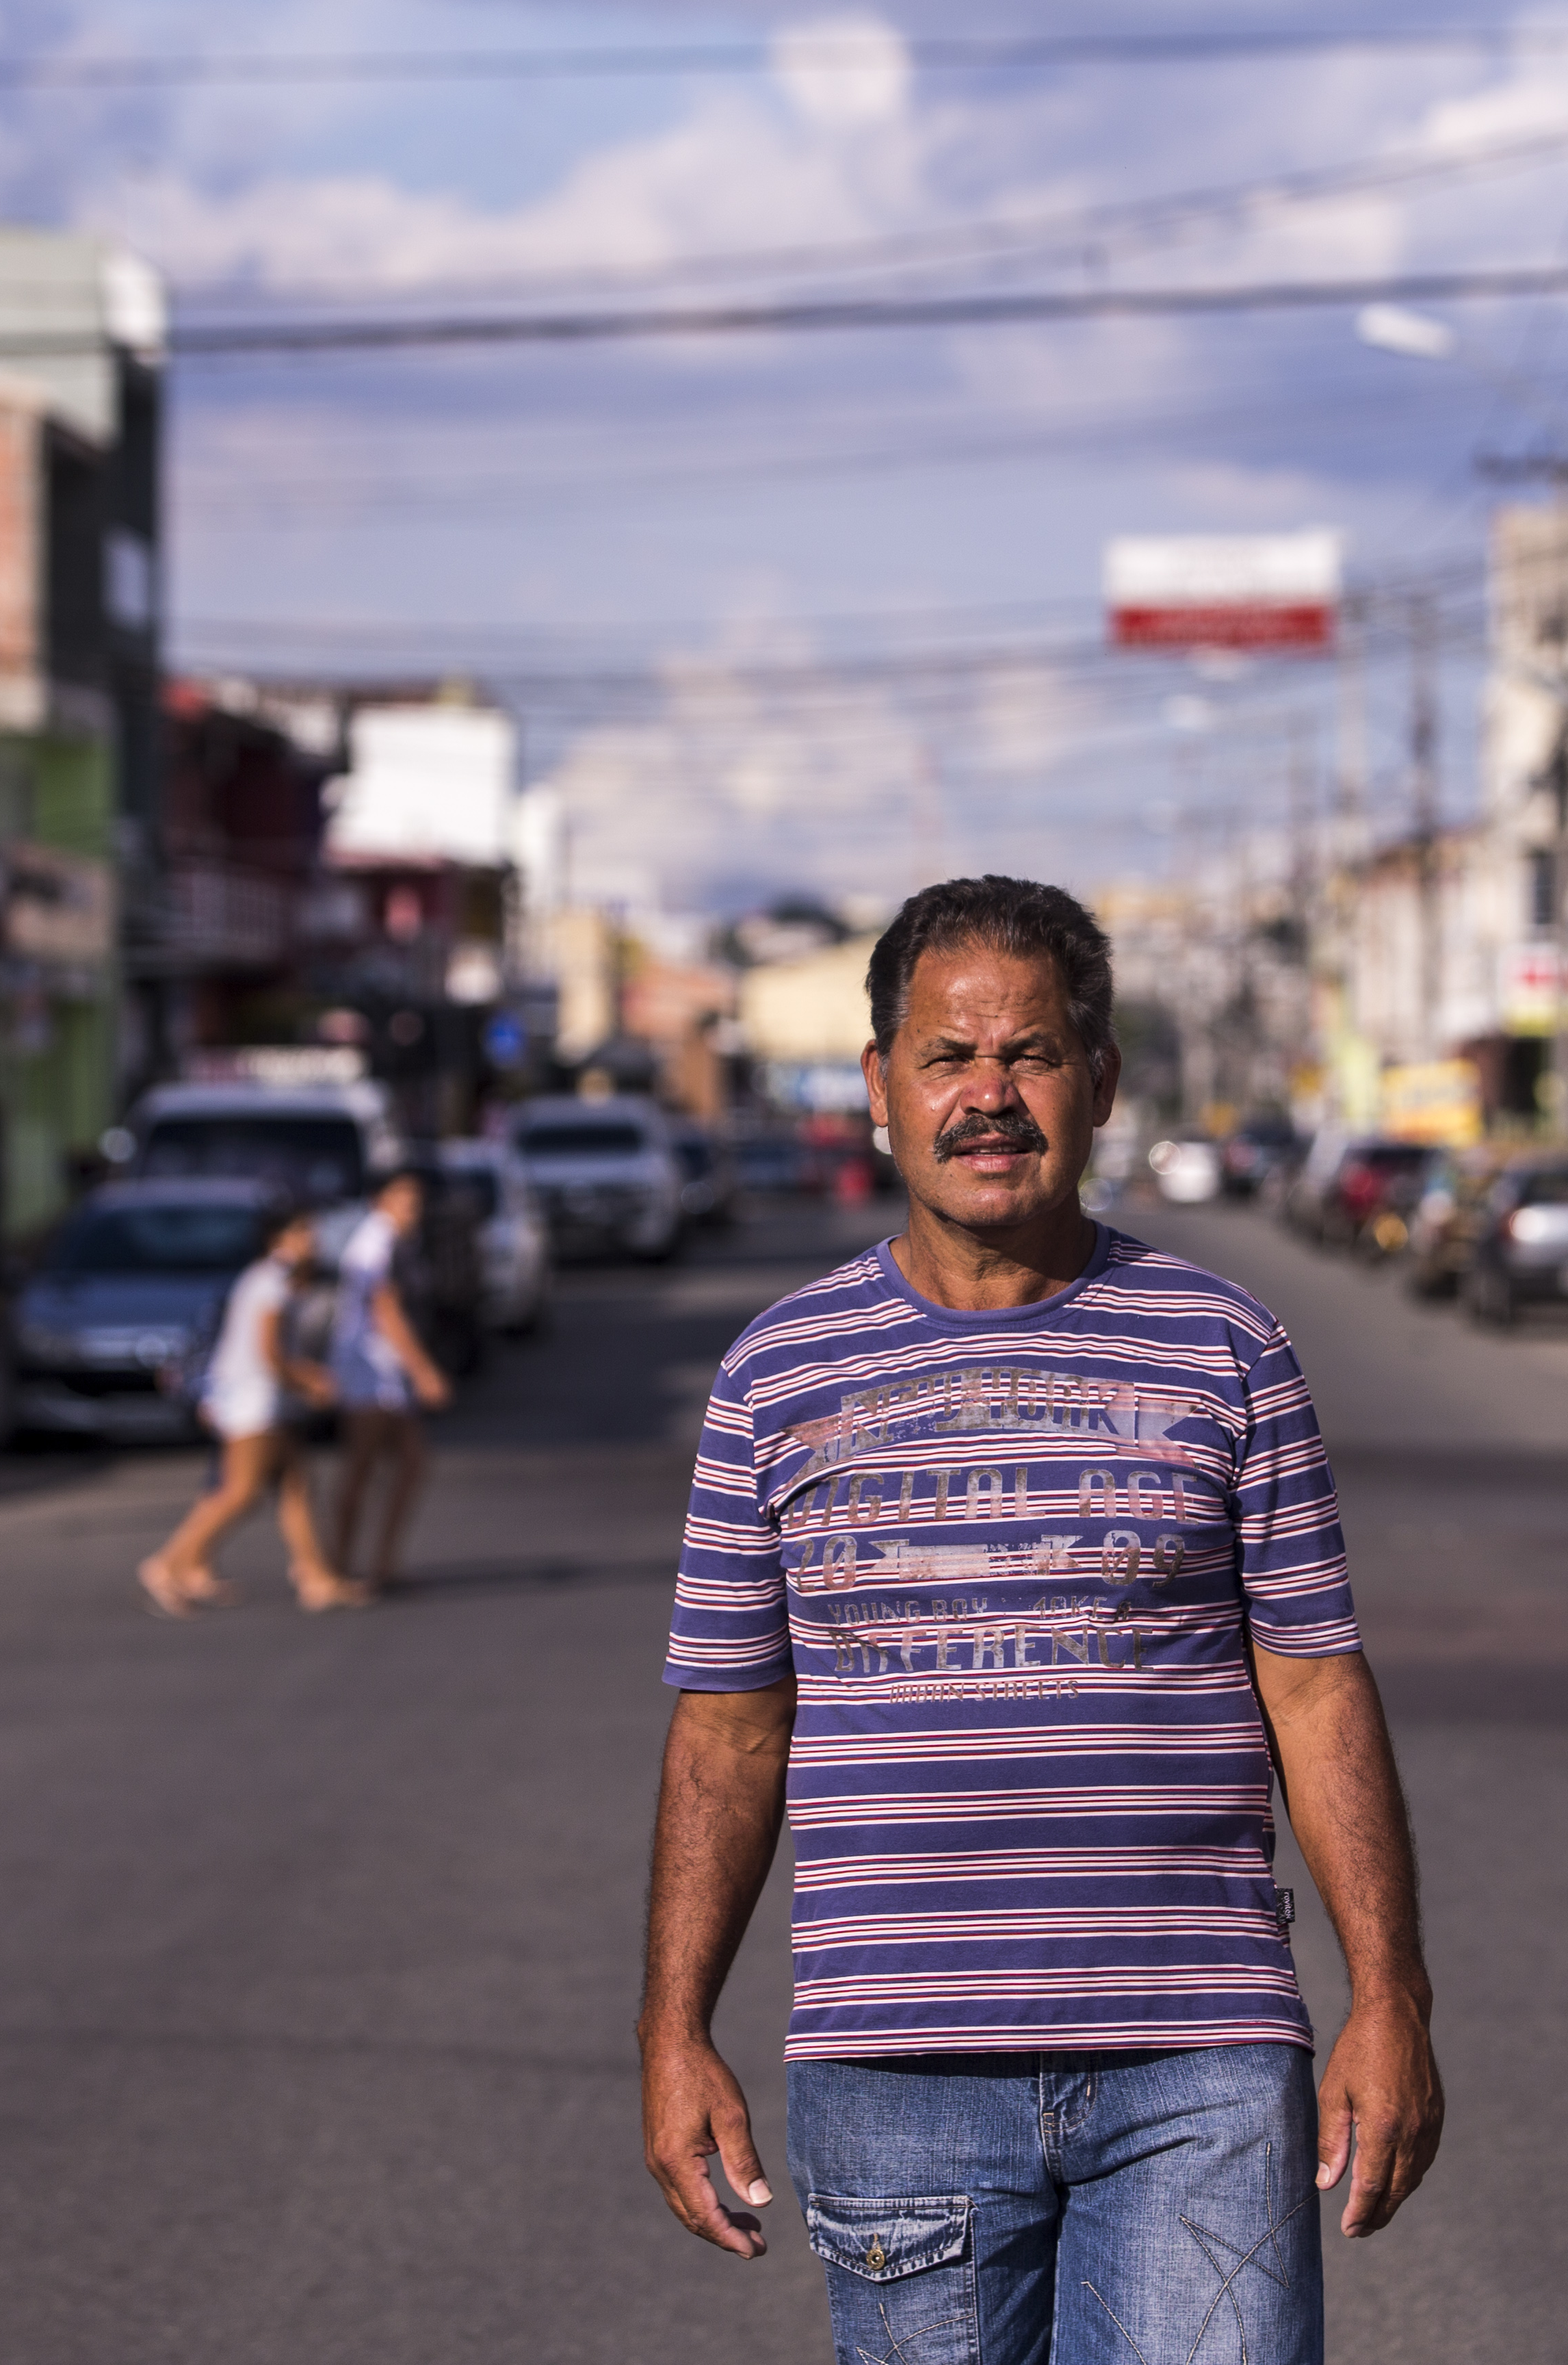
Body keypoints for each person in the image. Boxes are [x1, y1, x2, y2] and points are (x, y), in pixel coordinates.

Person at [638, 876, 1441, 2364]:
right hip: (895, 2074)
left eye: (1035, 1055)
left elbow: (1319, 1689)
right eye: (948, 1058)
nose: (989, 1098)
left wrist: (1390, 1998)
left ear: (1102, 1084)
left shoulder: (1227, 1349)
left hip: (1195, 2060)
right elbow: (731, 1730)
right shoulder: (775, 1377)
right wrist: (672, 2028)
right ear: (882, 1086)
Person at [140, 1203, 358, 1616]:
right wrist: (311, 1380)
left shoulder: (272, 1280)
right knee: (241, 1492)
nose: (312, 1240)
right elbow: (270, 1353)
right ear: (280, 1238)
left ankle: (317, 1576)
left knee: (296, 1487)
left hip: (263, 1400)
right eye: (303, 1231)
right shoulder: (271, 1282)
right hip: (253, 1402)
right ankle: (169, 1562)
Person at [328, 1165, 454, 1589]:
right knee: (362, 1466)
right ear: (380, 1199)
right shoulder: (375, 1242)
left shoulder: (403, 1240)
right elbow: (387, 1311)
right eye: (402, 1196)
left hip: (388, 1371)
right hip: (368, 1370)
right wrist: (424, 1372)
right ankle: (338, 1564)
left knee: (411, 1463)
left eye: (416, 1197)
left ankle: (383, 1563)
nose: (412, 1206)